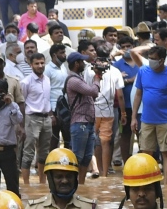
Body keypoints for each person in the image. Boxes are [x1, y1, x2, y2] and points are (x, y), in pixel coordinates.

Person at [132, 45, 167, 181]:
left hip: (165, 120)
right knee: (146, 152)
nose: (151, 61)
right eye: (149, 58)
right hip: (146, 119)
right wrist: (133, 118)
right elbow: (138, 94)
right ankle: (148, 180)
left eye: (154, 59)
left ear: (162, 60)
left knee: (166, 152)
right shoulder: (143, 71)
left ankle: (166, 184)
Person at [18, 52, 56, 188]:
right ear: (31, 65)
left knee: (44, 153)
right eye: (37, 63)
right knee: (28, 152)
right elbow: (21, 103)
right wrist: (22, 124)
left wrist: (51, 115)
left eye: (42, 63)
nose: (40, 66)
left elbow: (47, 99)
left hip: (46, 118)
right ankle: (26, 185)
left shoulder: (47, 80)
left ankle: (42, 184)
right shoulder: (26, 82)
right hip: (32, 118)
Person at [62, 51, 99, 181]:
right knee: (77, 157)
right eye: (82, 61)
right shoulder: (73, 80)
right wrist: (97, 78)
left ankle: (81, 186)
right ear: (77, 64)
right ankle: (72, 184)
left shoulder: (78, 78)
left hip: (87, 123)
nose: (84, 63)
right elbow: (93, 91)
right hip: (80, 123)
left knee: (87, 157)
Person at [93, 58, 122, 181]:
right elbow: (120, 95)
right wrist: (123, 113)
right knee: (105, 142)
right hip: (108, 112)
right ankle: (105, 173)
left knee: (95, 141)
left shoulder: (89, 70)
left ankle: (97, 170)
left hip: (93, 110)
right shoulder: (115, 71)